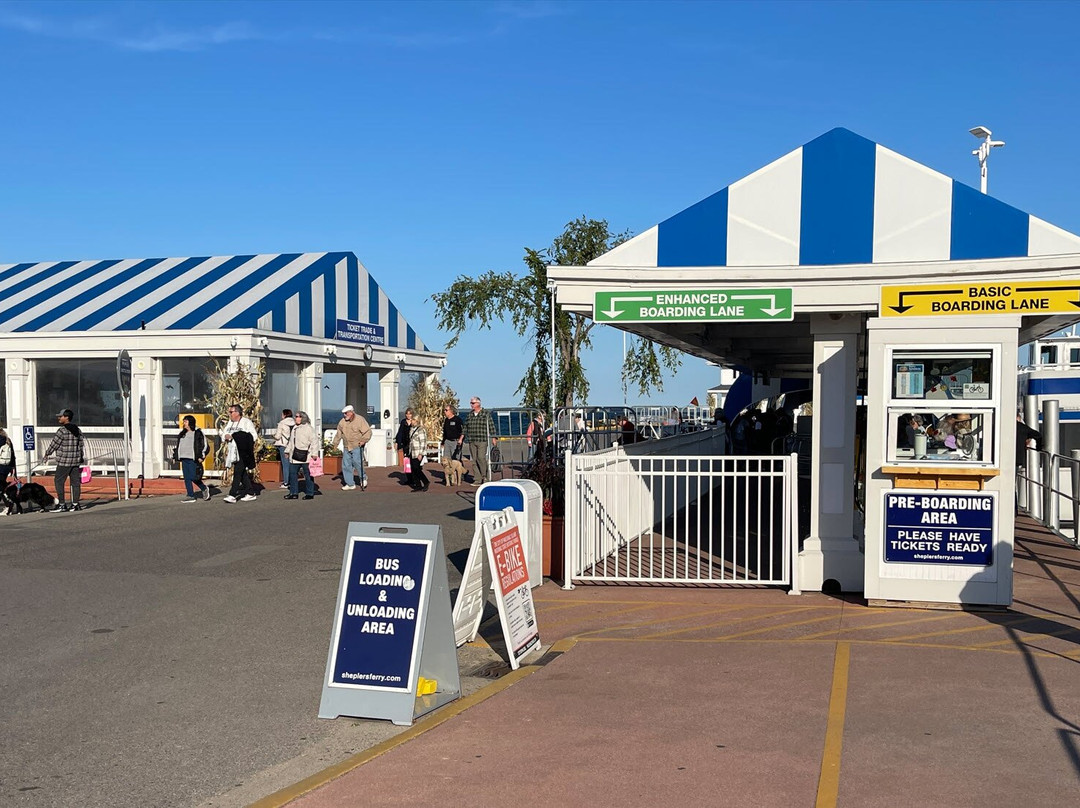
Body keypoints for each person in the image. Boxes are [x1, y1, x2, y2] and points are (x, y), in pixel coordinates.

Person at [42, 408, 86, 512]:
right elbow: (81, 444)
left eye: (61, 416)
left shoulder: (62, 430)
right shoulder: (77, 430)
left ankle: (62, 504)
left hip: (64, 461)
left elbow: (54, 444)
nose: (59, 418)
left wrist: (47, 454)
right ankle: (75, 504)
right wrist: (80, 457)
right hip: (75, 461)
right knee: (75, 483)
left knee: (59, 481)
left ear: (66, 417)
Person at [221, 404, 258, 503]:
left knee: (238, 472)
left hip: (242, 452)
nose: (229, 414)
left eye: (231, 412)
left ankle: (232, 494)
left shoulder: (246, 422)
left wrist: (237, 437)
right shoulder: (230, 423)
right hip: (232, 452)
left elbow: (253, 436)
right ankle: (250, 492)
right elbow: (224, 433)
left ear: (237, 412)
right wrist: (225, 436)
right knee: (241, 473)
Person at [331, 404, 372, 491]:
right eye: (344, 413)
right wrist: (335, 444)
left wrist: (364, 440)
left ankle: (363, 478)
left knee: (357, 463)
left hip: (357, 445)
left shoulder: (360, 420)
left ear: (351, 412)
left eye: (346, 413)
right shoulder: (342, 422)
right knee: (346, 465)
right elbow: (338, 434)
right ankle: (350, 484)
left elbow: (367, 432)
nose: (344, 415)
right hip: (347, 446)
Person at [284, 411, 320, 500]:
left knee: (308, 475)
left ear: (303, 418)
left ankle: (309, 493)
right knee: (292, 474)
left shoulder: (309, 428)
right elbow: (291, 441)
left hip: (306, 456)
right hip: (294, 456)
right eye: (296, 416)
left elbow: (314, 441)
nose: (296, 418)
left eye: (298, 416)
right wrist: (287, 451)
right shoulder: (294, 428)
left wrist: (314, 453)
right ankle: (293, 493)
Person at [174, 416, 210, 502]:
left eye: (186, 421)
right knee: (187, 478)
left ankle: (204, 488)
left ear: (191, 422)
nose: (184, 423)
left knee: (194, 477)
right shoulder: (182, 433)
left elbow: (205, 445)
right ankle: (190, 495)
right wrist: (176, 455)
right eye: (184, 422)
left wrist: (202, 456)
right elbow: (179, 445)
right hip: (184, 458)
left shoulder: (198, 433)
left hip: (193, 459)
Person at [463, 396, 497, 486]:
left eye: (473, 403)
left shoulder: (485, 413)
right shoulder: (470, 414)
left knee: (481, 458)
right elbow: (465, 427)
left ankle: (485, 476)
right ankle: (477, 479)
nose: (471, 405)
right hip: (472, 440)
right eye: (471, 403)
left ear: (478, 403)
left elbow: (491, 425)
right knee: (474, 460)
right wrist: (461, 437)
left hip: (482, 439)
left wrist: (494, 437)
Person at [404, 409, 429, 492]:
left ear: (416, 421)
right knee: (413, 469)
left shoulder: (421, 430)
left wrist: (421, 454)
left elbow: (423, 442)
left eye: (413, 420)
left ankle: (426, 482)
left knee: (417, 468)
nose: (411, 421)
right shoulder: (411, 429)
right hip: (412, 451)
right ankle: (418, 485)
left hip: (418, 452)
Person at [440, 404, 464, 486]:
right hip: (447, 441)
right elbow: (445, 432)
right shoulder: (446, 420)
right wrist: (443, 442)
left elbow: (462, 431)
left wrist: (460, 440)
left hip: (455, 441)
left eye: (446, 410)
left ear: (451, 411)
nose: (445, 411)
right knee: (447, 459)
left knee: (456, 459)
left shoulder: (457, 420)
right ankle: (448, 477)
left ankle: (459, 476)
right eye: (444, 410)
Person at [273, 409, 295, 489]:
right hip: (292, 444)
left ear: (285, 415)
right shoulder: (294, 422)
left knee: (285, 464)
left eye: (282, 414)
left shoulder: (282, 423)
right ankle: (292, 481)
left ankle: (286, 482)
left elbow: (278, 436)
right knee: (292, 463)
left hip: (283, 444)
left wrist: (273, 436)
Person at [394, 413, 412, 486]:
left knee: (413, 463)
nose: (408, 415)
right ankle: (409, 479)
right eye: (407, 414)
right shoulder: (403, 422)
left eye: (410, 414)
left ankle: (415, 479)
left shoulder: (414, 422)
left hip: (413, 445)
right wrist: (397, 442)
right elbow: (400, 433)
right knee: (406, 462)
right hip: (405, 445)